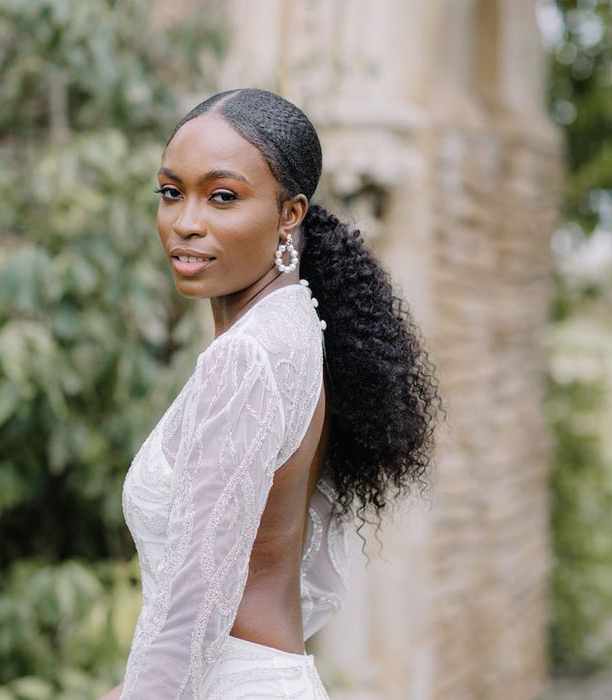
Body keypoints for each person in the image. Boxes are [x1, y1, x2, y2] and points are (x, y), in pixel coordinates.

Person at [101, 88, 442, 700]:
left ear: (291, 213)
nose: (186, 223)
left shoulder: (248, 356)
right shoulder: (298, 331)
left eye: (222, 196)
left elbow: (193, 600)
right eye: (172, 192)